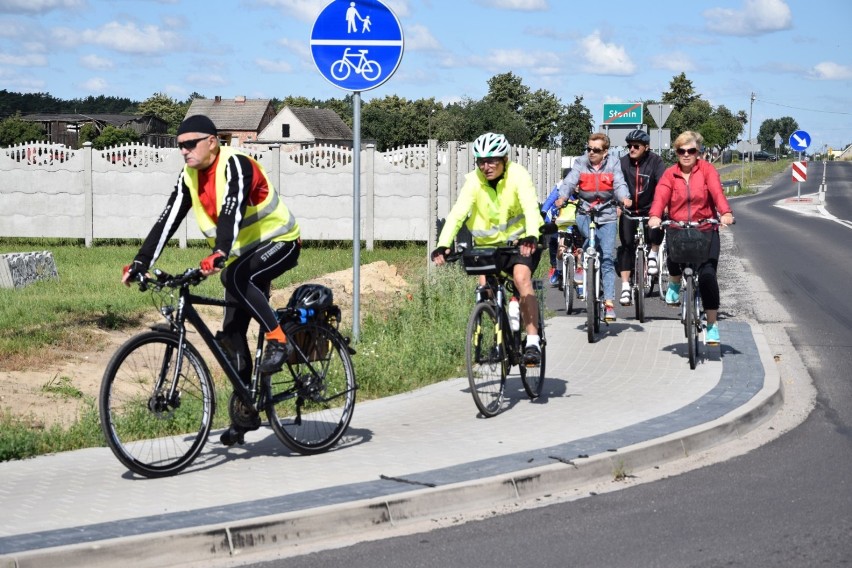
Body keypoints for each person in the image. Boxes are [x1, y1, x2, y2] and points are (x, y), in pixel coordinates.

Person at [121, 114, 302, 446]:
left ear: (212, 142)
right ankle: (246, 414)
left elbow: (231, 209)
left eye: (191, 144)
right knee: (232, 336)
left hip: (280, 242)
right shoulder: (189, 176)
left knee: (233, 277)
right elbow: (168, 218)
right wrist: (141, 261)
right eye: (180, 146)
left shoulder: (236, 165)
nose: (185, 151)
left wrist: (219, 252)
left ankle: (278, 338)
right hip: (241, 255)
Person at [431, 132, 544, 366]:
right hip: (487, 248)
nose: (486, 166)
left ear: (504, 159)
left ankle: (532, 342)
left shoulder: (518, 176)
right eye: (481, 161)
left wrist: (531, 235)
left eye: (492, 160)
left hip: (520, 244)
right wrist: (443, 244)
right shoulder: (474, 181)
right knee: (485, 291)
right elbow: (457, 214)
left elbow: (531, 208)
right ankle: (499, 340)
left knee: (521, 278)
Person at [648, 130, 734, 346]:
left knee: (707, 276)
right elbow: (661, 196)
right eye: (681, 151)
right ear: (676, 152)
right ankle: (675, 283)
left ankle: (712, 325)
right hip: (678, 226)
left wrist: (725, 213)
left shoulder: (707, 171)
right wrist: (656, 216)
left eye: (691, 150)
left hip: (705, 228)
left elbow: (716, 193)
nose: (686, 154)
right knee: (674, 258)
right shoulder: (670, 174)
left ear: (698, 152)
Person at [558, 132, 630, 322]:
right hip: (584, 212)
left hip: (607, 214)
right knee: (590, 242)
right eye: (589, 148)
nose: (591, 153)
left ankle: (608, 303)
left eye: (596, 150)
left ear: (605, 152)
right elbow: (570, 181)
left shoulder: (613, 163)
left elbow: (619, 183)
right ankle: (582, 263)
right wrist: (563, 197)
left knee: (606, 258)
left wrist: (624, 198)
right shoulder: (581, 162)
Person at [617, 129, 666, 306]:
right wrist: (618, 204)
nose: (631, 149)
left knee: (655, 231)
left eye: (636, 146)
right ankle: (625, 287)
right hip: (629, 211)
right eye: (629, 146)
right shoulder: (622, 163)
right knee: (626, 247)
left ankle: (653, 254)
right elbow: (616, 184)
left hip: (650, 209)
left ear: (646, 147)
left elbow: (662, 184)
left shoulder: (655, 161)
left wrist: (661, 206)